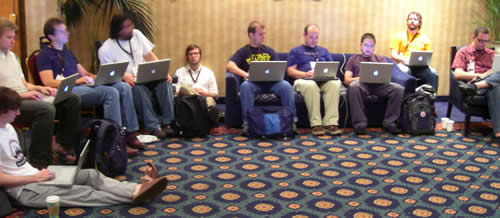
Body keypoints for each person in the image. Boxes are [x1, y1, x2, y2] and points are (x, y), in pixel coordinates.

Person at [0, 86, 167, 207]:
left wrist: (38, 173)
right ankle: (136, 196)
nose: (19, 113)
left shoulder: (8, 128)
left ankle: (137, 188)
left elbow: (17, 161)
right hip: (25, 190)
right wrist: (33, 178)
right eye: (14, 110)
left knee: (91, 175)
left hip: (35, 176)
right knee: (82, 193)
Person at [37, 18, 144, 155]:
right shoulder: (45, 55)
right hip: (68, 91)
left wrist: (102, 78)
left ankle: (131, 133)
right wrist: (78, 81)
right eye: (62, 31)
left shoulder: (67, 52)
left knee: (121, 86)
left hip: (83, 85)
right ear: (51, 36)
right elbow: (48, 82)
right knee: (110, 93)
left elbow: (85, 73)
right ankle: (114, 142)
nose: (67, 33)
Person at [0, 17, 80, 168]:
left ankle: (63, 145)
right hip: (8, 103)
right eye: (9, 37)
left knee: (72, 98)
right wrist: (23, 95)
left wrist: (40, 89)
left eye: (14, 37)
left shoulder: (12, 56)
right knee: (45, 110)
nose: (13, 41)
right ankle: (38, 161)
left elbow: (23, 83)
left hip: (25, 96)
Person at [98, 14, 175, 138]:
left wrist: (163, 71)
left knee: (165, 82)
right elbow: (109, 73)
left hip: (145, 75)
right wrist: (124, 76)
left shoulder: (137, 34)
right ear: (118, 31)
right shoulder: (106, 49)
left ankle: (168, 123)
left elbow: (149, 55)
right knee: (137, 88)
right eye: (127, 27)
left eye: (131, 24)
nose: (131, 28)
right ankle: (153, 126)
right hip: (130, 80)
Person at [226, 21, 296, 135]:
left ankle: (291, 121)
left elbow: (279, 67)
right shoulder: (243, 51)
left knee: (286, 86)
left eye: (264, 34)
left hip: (272, 83)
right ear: (251, 35)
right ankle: (247, 123)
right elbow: (230, 65)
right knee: (245, 86)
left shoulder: (269, 51)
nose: (263, 37)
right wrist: (246, 74)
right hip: (253, 84)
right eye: (260, 34)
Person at [286, 24, 342, 136]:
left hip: (322, 79)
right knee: (311, 86)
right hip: (304, 80)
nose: (314, 40)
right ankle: (316, 124)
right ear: (304, 35)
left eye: (316, 37)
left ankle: (330, 123)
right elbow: (290, 71)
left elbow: (332, 68)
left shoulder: (324, 51)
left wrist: (327, 74)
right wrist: (305, 74)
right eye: (311, 37)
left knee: (334, 84)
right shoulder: (296, 51)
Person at [344, 33, 404, 134]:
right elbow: (347, 80)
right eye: (366, 45)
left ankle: (389, 123)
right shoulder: (353, 59)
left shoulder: (380, 59)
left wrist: (379, 75)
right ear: (361, 45)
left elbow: (387, 77)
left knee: (398, 89)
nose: (368, 48)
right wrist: (361, 78)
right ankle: (360, 124)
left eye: (371, 46)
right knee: (353, 87)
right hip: (361, 84)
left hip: (379, 85)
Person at [451, 27, 499, 142]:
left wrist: (488, 74)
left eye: (486, 41)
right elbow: (457, 74)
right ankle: (497, 132)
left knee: (496, 86)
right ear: (473, 37)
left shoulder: (492, 54)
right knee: (496, 86)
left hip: (484, 85)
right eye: (480, 40)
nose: (483, 44)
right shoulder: (463, 52)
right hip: (474, 81)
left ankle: (498, 133)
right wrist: (480, 75)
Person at [390, 11, 438, 90]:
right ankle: (403, 100)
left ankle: (431, 98)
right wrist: (404, 59)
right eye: (410, 19)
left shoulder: (425, 39)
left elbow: (428, 57)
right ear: (407, 21)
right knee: (404, 72)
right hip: (404, 64)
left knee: (433, 73)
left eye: (415, 19)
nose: (412, 20)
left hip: (421, 67)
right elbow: (393, 55)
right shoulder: (399, 36)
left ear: (419, 23)